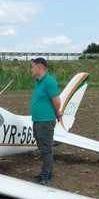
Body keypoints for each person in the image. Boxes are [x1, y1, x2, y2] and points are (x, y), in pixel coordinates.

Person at [30, 57, 62, 185]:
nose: (31, 70)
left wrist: (57, 112)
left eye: (32, 67)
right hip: (38, 120)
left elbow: (56, 100)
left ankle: (46, 175)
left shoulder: (49, 81)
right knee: (42, 148)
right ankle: (46, 171)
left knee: (46, 149)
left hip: (45, 121)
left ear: (39, 67)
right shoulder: (39, 82)